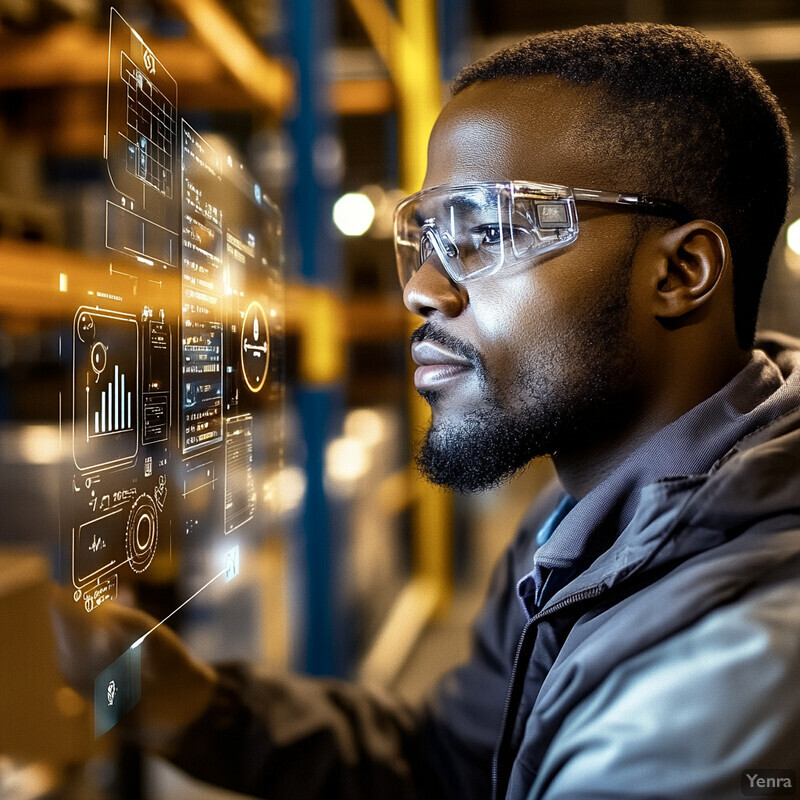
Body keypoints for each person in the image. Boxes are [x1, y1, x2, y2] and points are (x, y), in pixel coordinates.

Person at [52, 21, 800, 800]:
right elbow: (456, 763)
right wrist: (195, 706)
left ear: (682, 271)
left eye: (485, 231)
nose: (420, 290)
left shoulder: (725, 681)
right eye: (427, 236)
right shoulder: (584, 516)